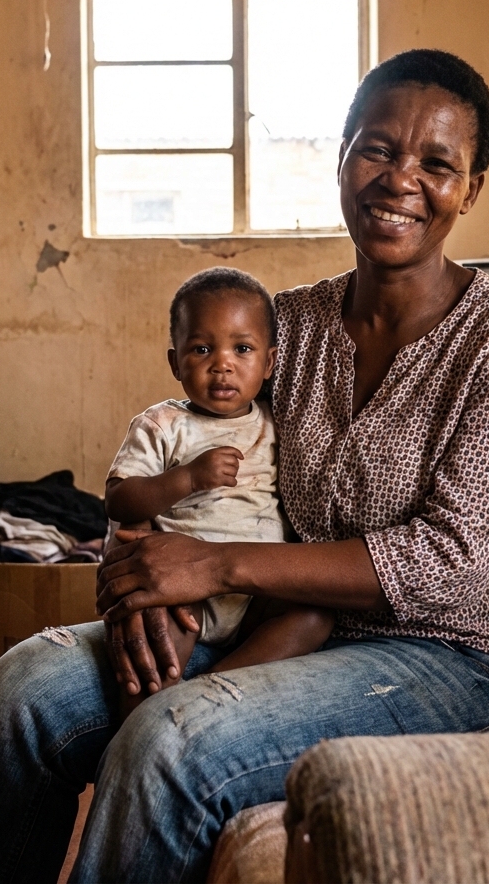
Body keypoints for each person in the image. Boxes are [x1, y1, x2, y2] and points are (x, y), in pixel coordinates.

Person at [0, 49, 489, 884]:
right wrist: (141, 581)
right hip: (278, 625)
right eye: (378, 149)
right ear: (342, 156)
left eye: (437, 164)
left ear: (470, 189)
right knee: (25, 688)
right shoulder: (289, 326)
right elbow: (186, 455)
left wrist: (215, 564)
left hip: (456, 659)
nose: (400, 179)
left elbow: (450, 559)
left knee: (171, 741)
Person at [105, 268, 334, 719]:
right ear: (175, 363)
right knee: (151, 654)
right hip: (181, 590)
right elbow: (120, 498)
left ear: (269, 364)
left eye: (242, 349)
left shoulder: (276, 423)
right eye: (202, 349)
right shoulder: (162, 425)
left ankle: (208, 693)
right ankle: (137, 729)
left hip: (254, 589)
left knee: (313, 617)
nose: (222, 364)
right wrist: (186, 479)